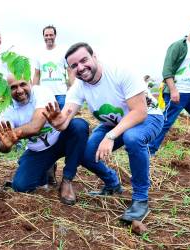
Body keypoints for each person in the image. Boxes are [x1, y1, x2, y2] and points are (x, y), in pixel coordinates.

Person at [44, 42, 164, 222]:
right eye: (74, 66)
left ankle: (140, 199)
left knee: (132, 138)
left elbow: (139, 112)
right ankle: (112, 184)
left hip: (147, 117)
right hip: (113, 122)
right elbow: (66, 115)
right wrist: (58, 121)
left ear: (94, 57)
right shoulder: (79, 86)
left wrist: (110, 136)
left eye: (84, 60)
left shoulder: (120, 72)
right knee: (85, 153)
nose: (81, 68)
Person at [0, 75, 89, 205]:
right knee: (21, 186)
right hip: (38, 150)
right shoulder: (7, 109)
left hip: (60, 139)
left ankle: (67, 180)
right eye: (13, 87)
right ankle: (48, 168)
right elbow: (3, 145)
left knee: (79, 126)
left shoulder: (41, 92)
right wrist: (6, 145)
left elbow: (35, 126)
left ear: (30, 82)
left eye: (22, 84)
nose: (19, 90)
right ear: (7, 90)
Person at [149, 19, 190, 161]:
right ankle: (149, 151)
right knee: (164, 122)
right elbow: (167, 70)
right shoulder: (178, 46)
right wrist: (173, 90)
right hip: (178, 93)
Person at [32, 25, 74, 110]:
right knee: (45, 121)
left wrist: (73, 89)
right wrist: (33, 92)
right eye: (46, 35)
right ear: (43, 36)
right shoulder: (38, 54)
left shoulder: (63, 52)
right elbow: (36, 74)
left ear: (55, 35)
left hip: (61, 94)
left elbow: (70, 71)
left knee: (63, 119)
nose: (49, 37)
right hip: (44, 95)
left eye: (51, 35)